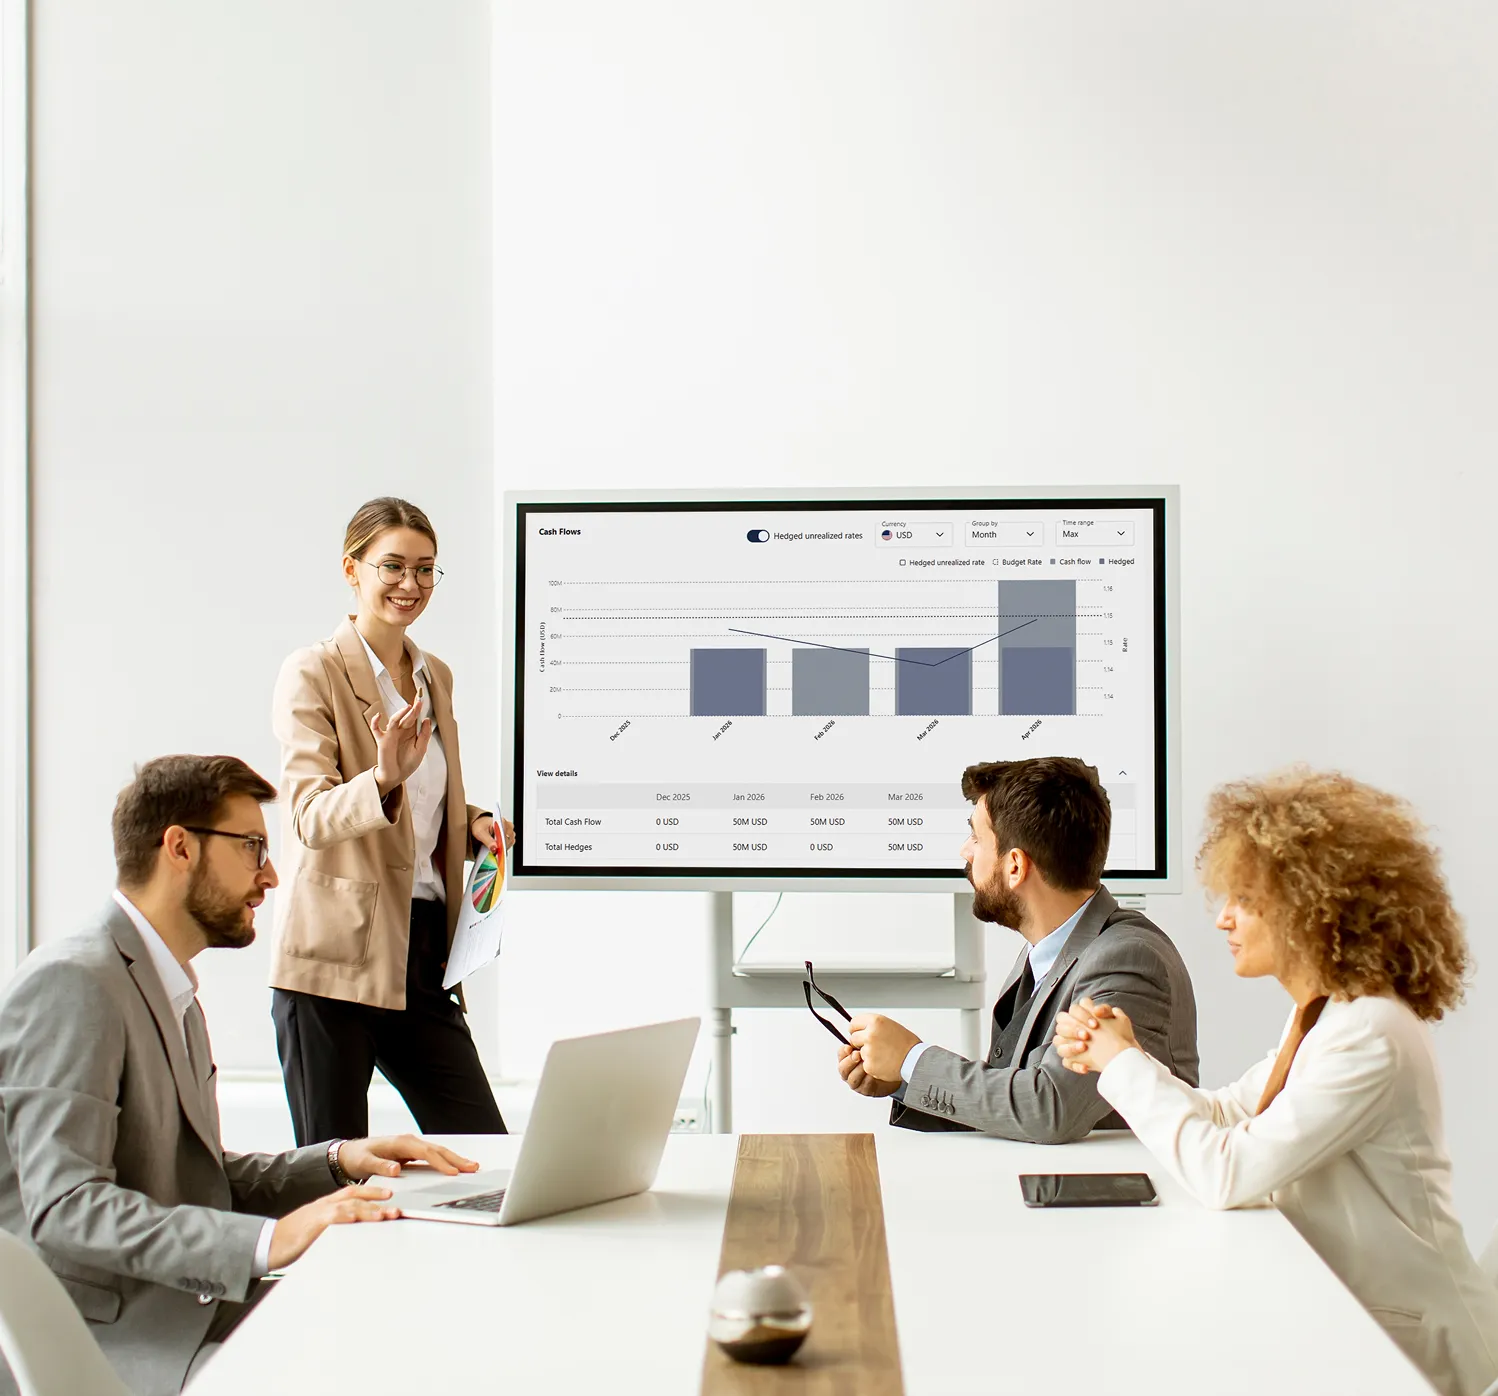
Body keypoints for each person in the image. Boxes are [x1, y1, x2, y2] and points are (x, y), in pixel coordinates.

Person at [0, 755, 480, 1396]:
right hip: (114, 1343)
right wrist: (273, 1239)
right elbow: (67, 1209)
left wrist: (338, 1161)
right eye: (252, 846)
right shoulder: (75, 983)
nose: (272, 874)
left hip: (186, 1309)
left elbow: (194, 1173)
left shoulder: (165, 986)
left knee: (407, 1330)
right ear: (179, 847)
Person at [1054, 769, 1498, 1396]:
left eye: (1244, 900)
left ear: (1310, 908)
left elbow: (1227, 1173)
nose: (1223, 920)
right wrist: (1126, 1054)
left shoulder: (1369, 1033)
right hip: (1355, 1329)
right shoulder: (1322, 1016)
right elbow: (1226, 1114)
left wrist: (1120, 1065)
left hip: (1420, 1359)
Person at [270, 497, 513, 1145]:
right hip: (334, 960)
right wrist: (380, 778)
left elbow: (427, 805)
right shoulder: (313, 671)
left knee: (485, 1151)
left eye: (426, 569)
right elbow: (308, 818)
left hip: (424, 952)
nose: (411, 585)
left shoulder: (436, 677)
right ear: (352, 570)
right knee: (334, 1173)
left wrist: (475, 824)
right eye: (394, 567)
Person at [837, 756, 1198, 1140]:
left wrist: (912, 1060)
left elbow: (1049, 1107)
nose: (965, 851)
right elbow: (1013, 1096)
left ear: (1014, 866)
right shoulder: (1049, 951)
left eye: (976, 838)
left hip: (1110, 1194)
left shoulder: (1128, 960)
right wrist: (902, 1081)